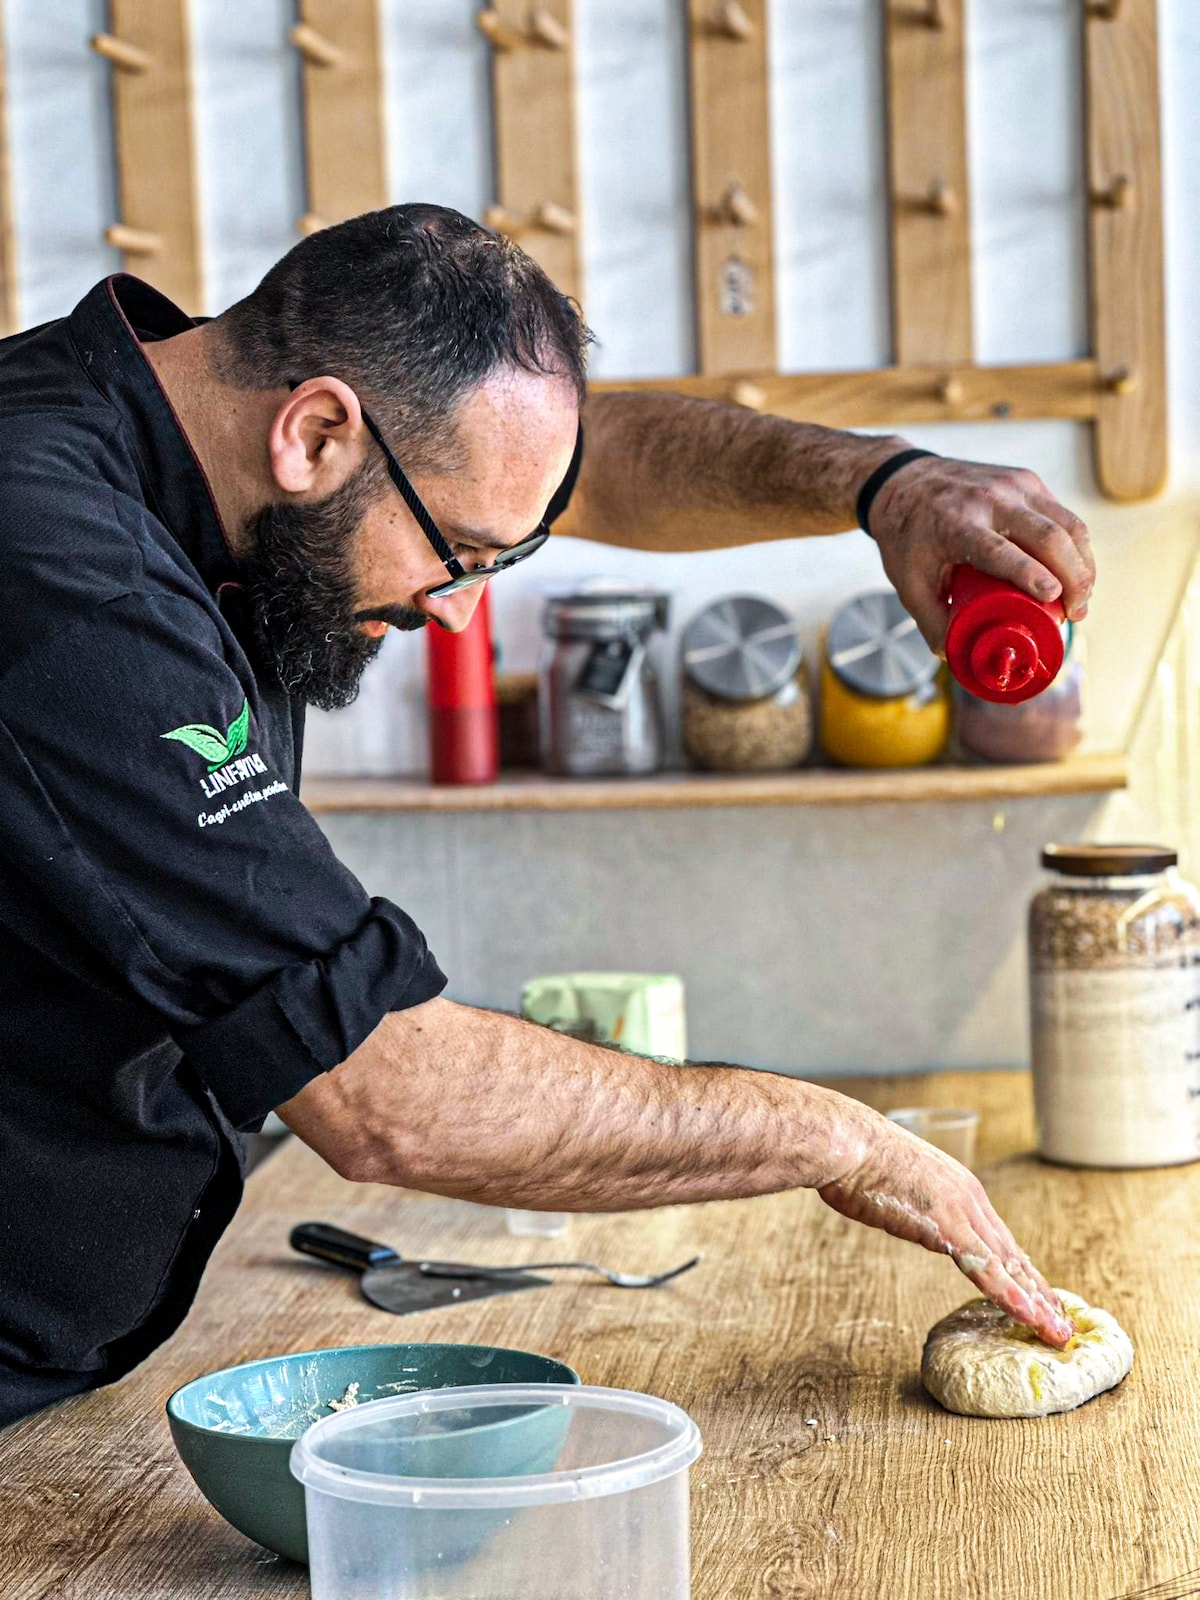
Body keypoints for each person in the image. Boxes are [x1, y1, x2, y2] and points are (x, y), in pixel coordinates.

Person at [0, 204, 1091, 1427]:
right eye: (460, 558)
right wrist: (833, 1137)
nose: (461, 615)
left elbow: (579, 460)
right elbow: (384, 1089)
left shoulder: (212, 414)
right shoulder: (55, 564)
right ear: (314, 431)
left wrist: (884, 484)